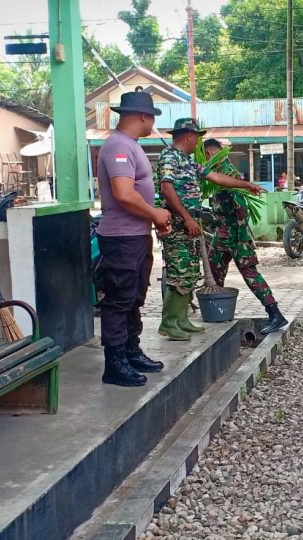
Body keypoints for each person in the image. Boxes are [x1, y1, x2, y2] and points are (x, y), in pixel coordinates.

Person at [156, 119, 264, 341]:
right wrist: (186, 218)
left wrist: (246, 184)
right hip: (178, 224)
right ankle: (168, 323)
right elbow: (167, 189)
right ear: (188, 135)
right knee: (178, 273)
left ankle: (181, 320)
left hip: (191, 226)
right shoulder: (169, 157)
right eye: (196, 136)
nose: (198, 140)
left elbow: (216, 178)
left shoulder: (189, 161)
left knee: (189, 274)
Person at [96, 89, 173, 387]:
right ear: (142, 116)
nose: (152, 121)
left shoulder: (131, 145)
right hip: (121, 238)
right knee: (119, 300)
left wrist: (152, 220)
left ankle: (130, 350)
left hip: (136, 236)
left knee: (133, 298)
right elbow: (123, 194)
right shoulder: (118, 146)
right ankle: (114, 364)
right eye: (152, 116)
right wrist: (154, 214)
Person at [203, 139, 288, 335]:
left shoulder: (228, 172)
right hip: (222, 234)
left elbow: (241, 206)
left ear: (209, 154)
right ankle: (217, 311)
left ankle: (275, 314)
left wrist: (241, 237)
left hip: (235, 236)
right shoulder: (216, 172)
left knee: (250, 274)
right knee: (214, 271)